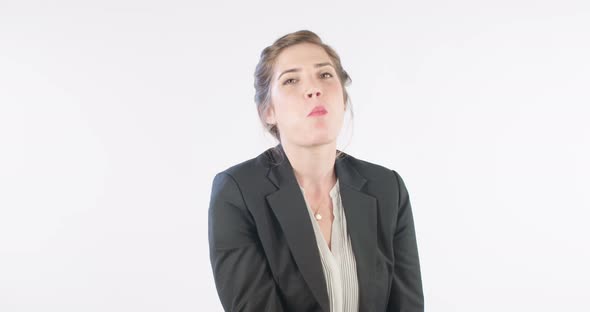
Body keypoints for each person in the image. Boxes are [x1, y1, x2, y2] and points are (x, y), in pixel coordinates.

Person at [208, 30, 424, 312]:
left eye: (324, 75)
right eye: (291, 80)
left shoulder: (387, 187)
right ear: (267, 111)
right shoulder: (237, 192)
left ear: (343, 98)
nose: (313, 89)